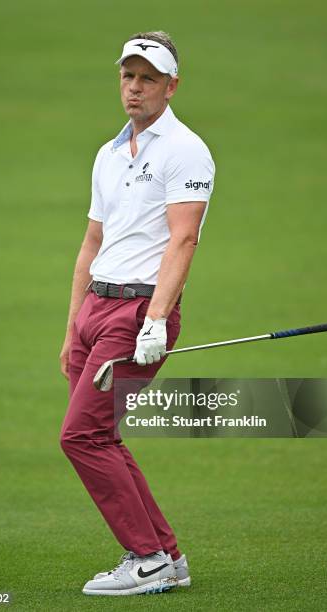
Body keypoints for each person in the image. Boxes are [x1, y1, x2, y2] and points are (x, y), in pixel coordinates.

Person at [59, 31, 215, 596]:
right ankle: (167, 558)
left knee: (81, 437)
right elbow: (91, 242)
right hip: (96, 308)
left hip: (136, 314)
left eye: (149, 78)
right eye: (128, 76)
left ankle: (146, 558)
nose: (135, 87)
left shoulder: (185, 150)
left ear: (171, 87)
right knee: (102, 436)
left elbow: (184, 240)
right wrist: (72, 326)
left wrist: (155, 320)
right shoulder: (107, 152)